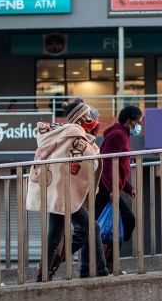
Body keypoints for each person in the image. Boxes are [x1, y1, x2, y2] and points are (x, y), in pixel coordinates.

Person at [27, 98, 109, 279]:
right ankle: (102, 272)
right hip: (65, 193)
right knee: (93, 228)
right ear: (80, 118)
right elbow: (89, 154)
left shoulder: (61, 133)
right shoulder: (74, 133)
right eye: (88, 115)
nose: (91, 118)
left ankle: (42, 277)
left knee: (54, 237)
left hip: (58, 191)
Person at [85, 105, 142, 274]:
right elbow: (108, 163)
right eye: (138, 122)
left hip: (110, 187)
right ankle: (105, 264)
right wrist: (112, 189)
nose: (139, 125)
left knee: (104, 227)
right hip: (105, 188)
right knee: (122, 222)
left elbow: (120, 168)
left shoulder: (122, 134)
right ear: (129, 121)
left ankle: (106, 264)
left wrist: (128, 187)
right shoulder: (117, 135)